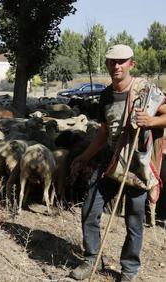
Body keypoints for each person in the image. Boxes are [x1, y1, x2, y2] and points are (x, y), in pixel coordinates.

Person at [69, 44, 166, 282]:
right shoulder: (105, 96)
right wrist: (84, 157)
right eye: (112, 62)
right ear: (107, 65)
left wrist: (151, 120)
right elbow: (103, 134)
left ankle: (129, 269)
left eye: (122, 61)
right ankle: (92, 258)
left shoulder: (145, 91)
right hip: (111, 161)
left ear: (131, 64)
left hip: (136, 163)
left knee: (134, 219)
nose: (117, 66)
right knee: (90, 208)